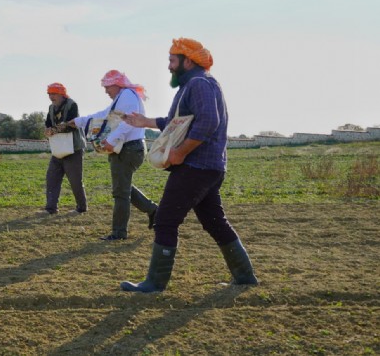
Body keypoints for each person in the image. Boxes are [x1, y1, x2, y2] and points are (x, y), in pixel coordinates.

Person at [120, 38, 258, 292]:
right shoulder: (193, 85)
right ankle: (245, 276)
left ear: (188, 61)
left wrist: (181, 152)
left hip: (196, 166)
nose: (169, 66)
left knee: (165, 220)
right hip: (209, 167)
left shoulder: (199, 84)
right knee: (215, 222)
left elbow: (208, 123)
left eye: (173, 60)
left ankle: (154, 283)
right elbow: (176, 122)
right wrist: (144, 122)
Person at [69, 70, 157, 240]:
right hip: (129, 148)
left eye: (107, 86)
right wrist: (79, 121)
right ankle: (153, 210)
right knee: (122, 187)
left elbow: (128, 122)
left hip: (128, 148)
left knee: (120, 193)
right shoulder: (122, 97)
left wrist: (111, 140)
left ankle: (119, 232)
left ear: (117, 84)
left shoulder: (127, 96)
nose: (105, 90)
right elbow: (104, 115)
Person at [43, 82, 88, 215]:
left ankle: (81, 207)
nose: (51, 97)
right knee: (52, 177)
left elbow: (72, 124)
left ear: (62, 94)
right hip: (58, 148)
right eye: (49, 94)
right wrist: (47, 130)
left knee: (75, 180)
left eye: (54, 94)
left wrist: (53, 130)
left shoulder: (72, 104)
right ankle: (51, 208)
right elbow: (48, 124)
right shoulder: (51, 108)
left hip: (74, 147)